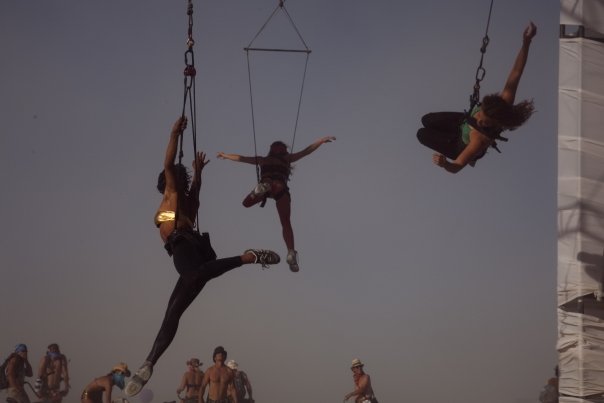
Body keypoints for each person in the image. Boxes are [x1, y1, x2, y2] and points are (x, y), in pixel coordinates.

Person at [125, 116, 279, 397]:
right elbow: (194, 188)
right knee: (174, 312)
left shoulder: (171, 194)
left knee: (193, 277)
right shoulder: (188, 200)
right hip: (193, 252)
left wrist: (173, 133)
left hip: (184, 246)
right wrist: (198, 172)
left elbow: (168, 164)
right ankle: (148, 364)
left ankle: (246, 258)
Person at [417, 22, 537, 173]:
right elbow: (516, 71)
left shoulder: (479, 139)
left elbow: (458, 166)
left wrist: (445, 163)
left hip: (458, 145)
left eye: (482, 120)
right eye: (480, 112)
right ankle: (459, 126)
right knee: (426, 119)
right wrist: (526, 42)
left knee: (421, 134)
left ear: (494, 122)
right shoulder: (503, 101)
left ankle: (451, 137)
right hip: (462, 124)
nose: (479, 117)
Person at [217, 136, 336, 272]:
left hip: (267, 187)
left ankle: (261, 189)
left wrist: (225, 155)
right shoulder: (287, 159)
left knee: (247, 202)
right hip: (281, 190)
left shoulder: (263, 160)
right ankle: (291, 252)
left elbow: (241, 158)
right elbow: (306, 151)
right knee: (286, 222)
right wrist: (320, 141)